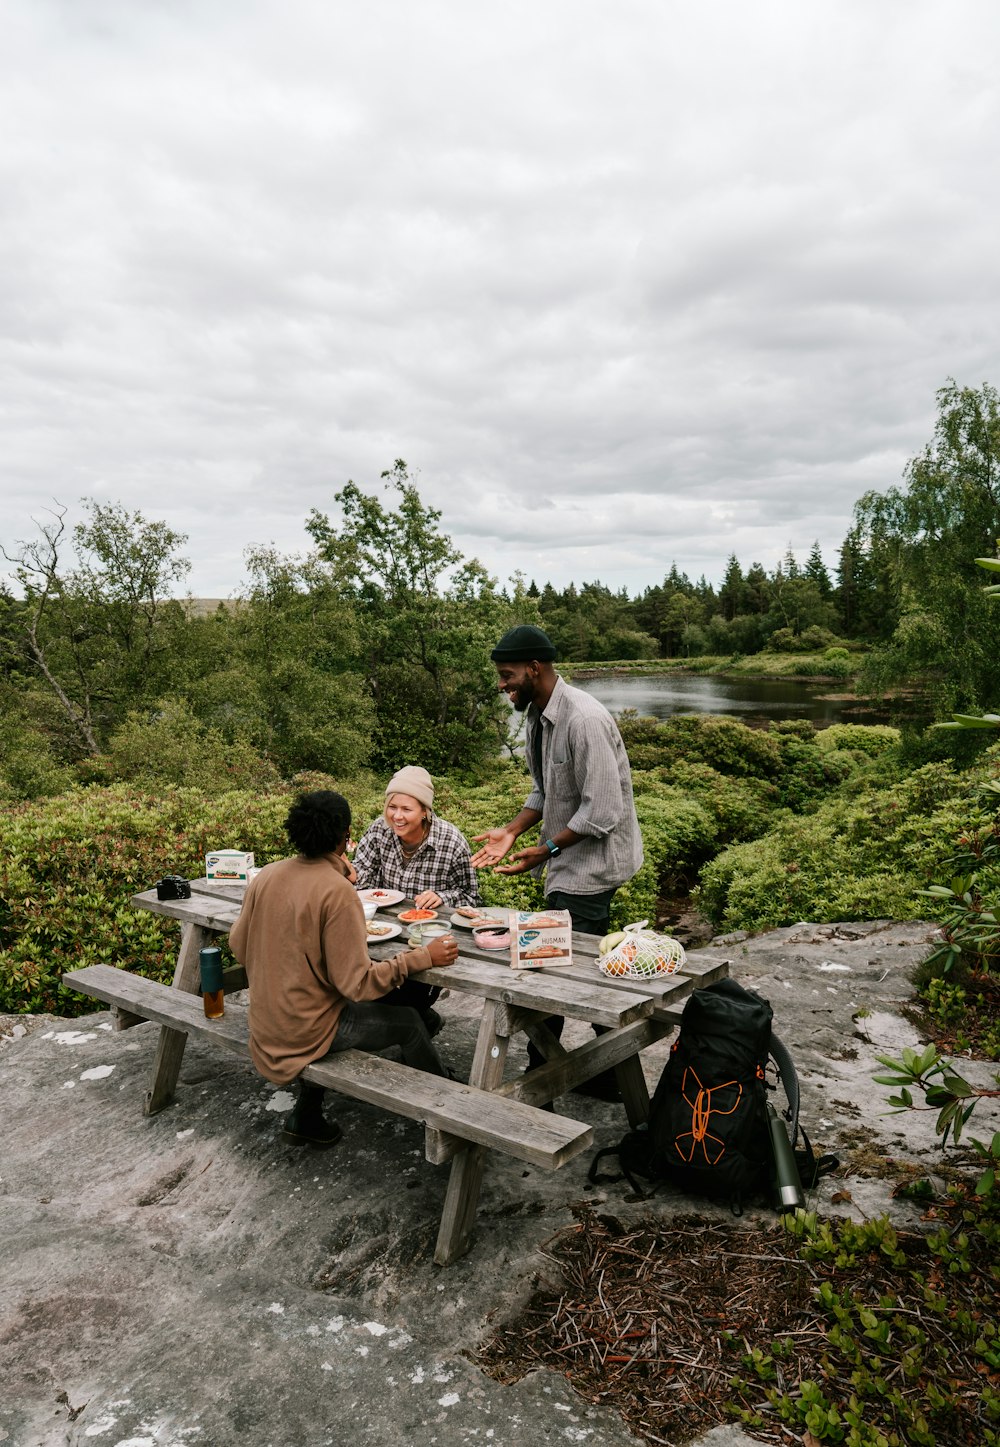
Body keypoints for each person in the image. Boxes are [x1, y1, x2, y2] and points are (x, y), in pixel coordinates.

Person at [229, 789, 458, 1147]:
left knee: (418, 1017)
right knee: (411, 1023)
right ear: (345, 837)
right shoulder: (337, 892)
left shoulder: (267, 876)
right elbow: (358, 985)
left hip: (265, 1021)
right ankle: (451, 1116)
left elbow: (238, 947)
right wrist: (422, 958)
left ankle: (306, 1116)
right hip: (308, 1031)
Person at [470, 624, 643, 1094]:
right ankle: (612, 1073)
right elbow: (544, 792)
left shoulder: (584, 719)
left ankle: (538, 1077)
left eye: (506, 675)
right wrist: (510, 831)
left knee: (551, 964)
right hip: (566, 859)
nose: (501, 684)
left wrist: (544, 850)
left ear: (534, 668)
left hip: (592, 865)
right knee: (584, 962)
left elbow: (603, 811)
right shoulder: (536, 715)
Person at [352, 765, 480, 911]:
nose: (397, 816)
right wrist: (345, 867)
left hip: (433, 927)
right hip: (384, 923)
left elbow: (471, 897)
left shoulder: (452, 841)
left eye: (406, 809)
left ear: (424, 812)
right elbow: (365, 878)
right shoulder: (379, 830)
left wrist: (441, 897)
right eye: (392, 807)